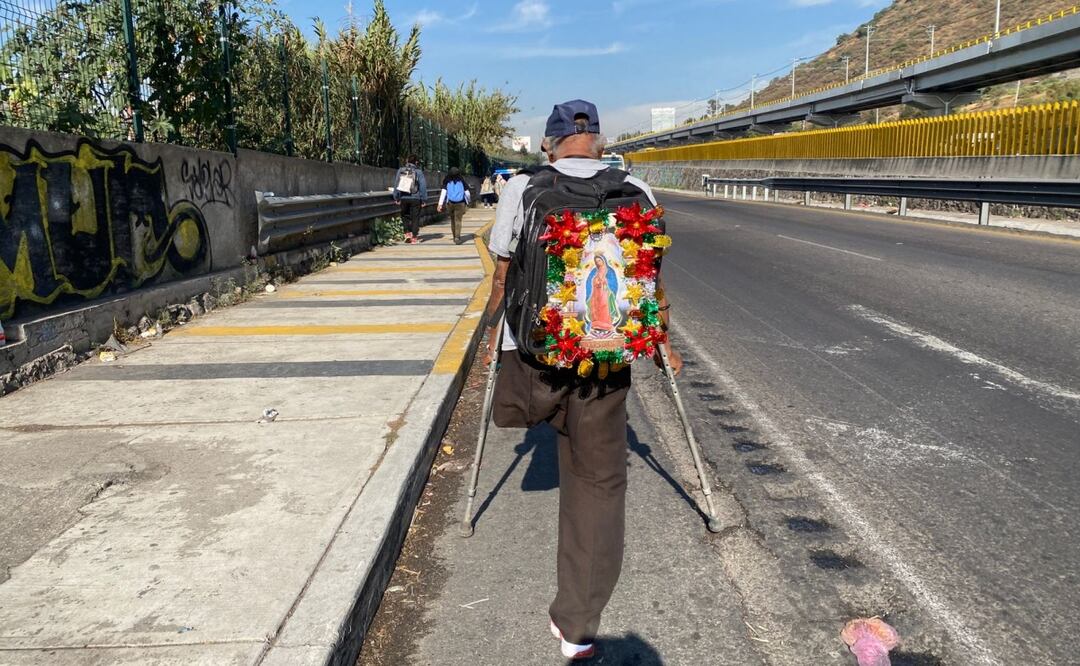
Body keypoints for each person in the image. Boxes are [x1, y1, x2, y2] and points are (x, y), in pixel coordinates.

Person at [483, 99, 682, 661]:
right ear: (597, 141)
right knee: (598, 483)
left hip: (536, 359)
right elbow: (649, 280)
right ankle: (577, 629)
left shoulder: (524, 190)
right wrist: (664, 339)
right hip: (607, 358)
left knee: (529, 418)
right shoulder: (635, 190)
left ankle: (538, 418)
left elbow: (503, 271)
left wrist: (489, 337)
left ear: (549, 145)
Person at [392, 154, 427, 244]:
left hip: (404, 197)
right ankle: (414, 238)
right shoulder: (419, 172)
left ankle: (407, 234)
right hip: (415, 197)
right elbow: (423, 186)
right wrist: (423, 199)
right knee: (415, 217)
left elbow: (397, 184)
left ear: (407, 161)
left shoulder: (401, 170)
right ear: (416, 162)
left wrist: (396, 197)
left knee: (405, 216)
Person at [437, 167, 471, 244]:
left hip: (450, 203)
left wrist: (440, 204)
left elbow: (443, 192)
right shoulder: (461, 180)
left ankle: (454, 236)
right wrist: (468, 201)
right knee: (458, 220)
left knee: (452, 220)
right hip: (460, 203)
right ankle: (457, 237)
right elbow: (467, 193)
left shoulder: (447, 180)